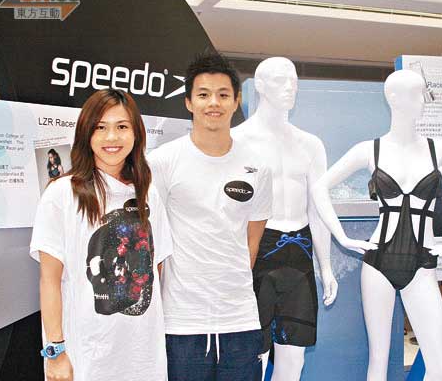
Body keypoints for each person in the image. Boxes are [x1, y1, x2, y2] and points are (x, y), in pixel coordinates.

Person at [313, 69, 442, 381]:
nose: (423, 101)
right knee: (378, 362)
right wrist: (342, 237)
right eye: (416, 93)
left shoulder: (441, 150)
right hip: (378, 263)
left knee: (441, 367)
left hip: (422, 266)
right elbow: (319, 187)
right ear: (392, 98)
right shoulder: (370, 150)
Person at [30, 89, 173, 381]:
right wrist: (55, 352)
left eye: (122, 127)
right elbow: (49, 280)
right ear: (87, 134)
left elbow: (155, 267)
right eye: (100, 127)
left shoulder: (148, 193)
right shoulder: (62, 193)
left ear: (136, 133)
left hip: (142, 356)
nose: (112, 137)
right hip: (84, 355)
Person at [148, 53, 272, 381]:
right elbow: (152, 242)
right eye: (203, 94)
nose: (213, 103)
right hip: (181, 322)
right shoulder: (162, 161)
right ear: (189, 102)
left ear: (236, 101)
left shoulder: (258, 166)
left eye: (222, 94)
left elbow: (252, 243)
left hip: (240, 319)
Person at [232, 57, 338, 381]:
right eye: (281, 80)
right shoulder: (237, 141)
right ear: (260, 85)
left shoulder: (311, 145)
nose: (290, 87)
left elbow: (316, 209)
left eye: (294, 80)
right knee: (255, 353)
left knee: (294, 357)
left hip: (299, 251)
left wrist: (326, 267)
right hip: (256, 250)